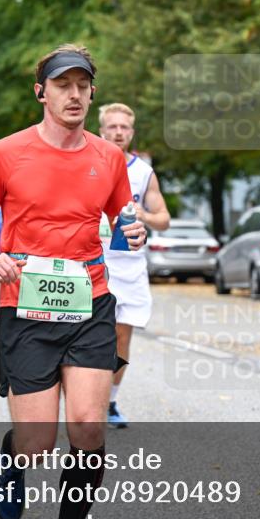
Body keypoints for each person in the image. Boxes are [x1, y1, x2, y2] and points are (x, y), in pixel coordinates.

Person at [0, 44, 146, 519]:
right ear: (41, 92)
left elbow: (124, 217)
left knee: (88, 426)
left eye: (83, 86)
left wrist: (133, 229)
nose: (75, 95)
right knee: (39, 442)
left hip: (90, 300)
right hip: (26, 304)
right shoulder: (6, 152)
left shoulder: (108, 158)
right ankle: (13, 456)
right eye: (63, 85)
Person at [98, 103, 171, 428]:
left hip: (128, 265)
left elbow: (164, 219)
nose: (117, 132)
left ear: (131, 133)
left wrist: (143, 215)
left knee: (122, 337)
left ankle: (110, 402)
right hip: (92, 263)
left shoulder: (143, 172)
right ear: (101, 130)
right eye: (111, 126)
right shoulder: (88, 162)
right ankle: (83, 400)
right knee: (86, 335)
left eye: (123, 128)